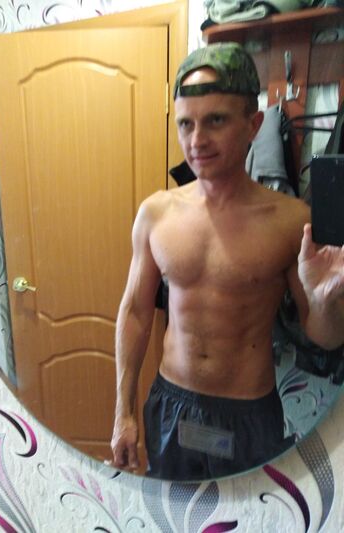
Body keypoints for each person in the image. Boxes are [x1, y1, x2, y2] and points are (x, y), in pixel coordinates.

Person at [110, 42, 344, 481]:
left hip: (247, 415)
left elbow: (325, 338)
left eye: (215, 120)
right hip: (171, 403)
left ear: (253, 124)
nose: (197, 141)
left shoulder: (292, 221)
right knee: (171, 510)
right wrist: (123, 412)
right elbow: (135, 312)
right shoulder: (155, 214)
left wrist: (327, 300)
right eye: (186, 124)